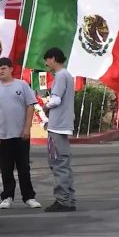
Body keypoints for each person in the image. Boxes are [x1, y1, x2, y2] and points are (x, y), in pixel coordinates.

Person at [0, 58, 41, 209]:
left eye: (3, 68)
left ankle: (29, 197)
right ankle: (7, 196)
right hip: (3, 137)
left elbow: (30, 106)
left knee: (23, 167)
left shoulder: (22, 85)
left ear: (11, 69)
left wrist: (27, 128)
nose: (1, 71)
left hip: (21, 135)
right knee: (6, 169)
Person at [43, 47, 76, 212]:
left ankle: (63, 200)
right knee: (63, 162)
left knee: (58, 163)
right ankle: (69, 198)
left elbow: (55, 100)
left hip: (57, 126)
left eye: (47, 60)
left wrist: (45, 106)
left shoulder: (61, 75)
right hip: (64, 125)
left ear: (53, 58)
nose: (47, 63)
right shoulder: (67, 75)